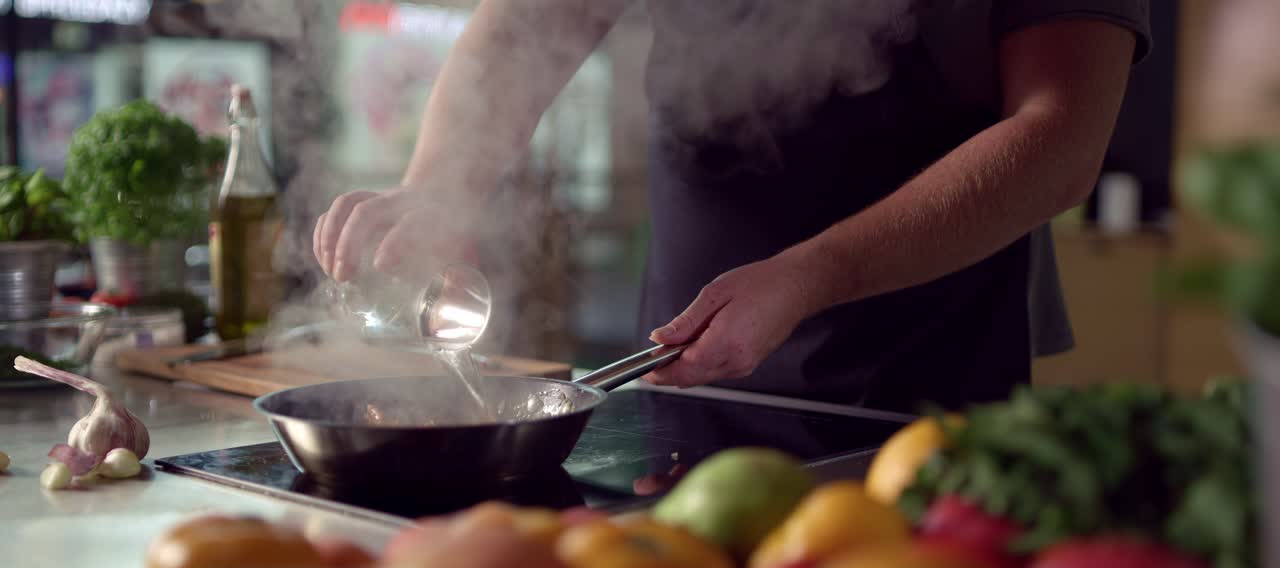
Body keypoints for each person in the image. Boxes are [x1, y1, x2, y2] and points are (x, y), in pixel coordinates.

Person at [313, 0, 1151, 413]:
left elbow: (1058, 137)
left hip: (925, 374)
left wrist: (809, 273)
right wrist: (440, 184)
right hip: (683, 367)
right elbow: (532, 24)